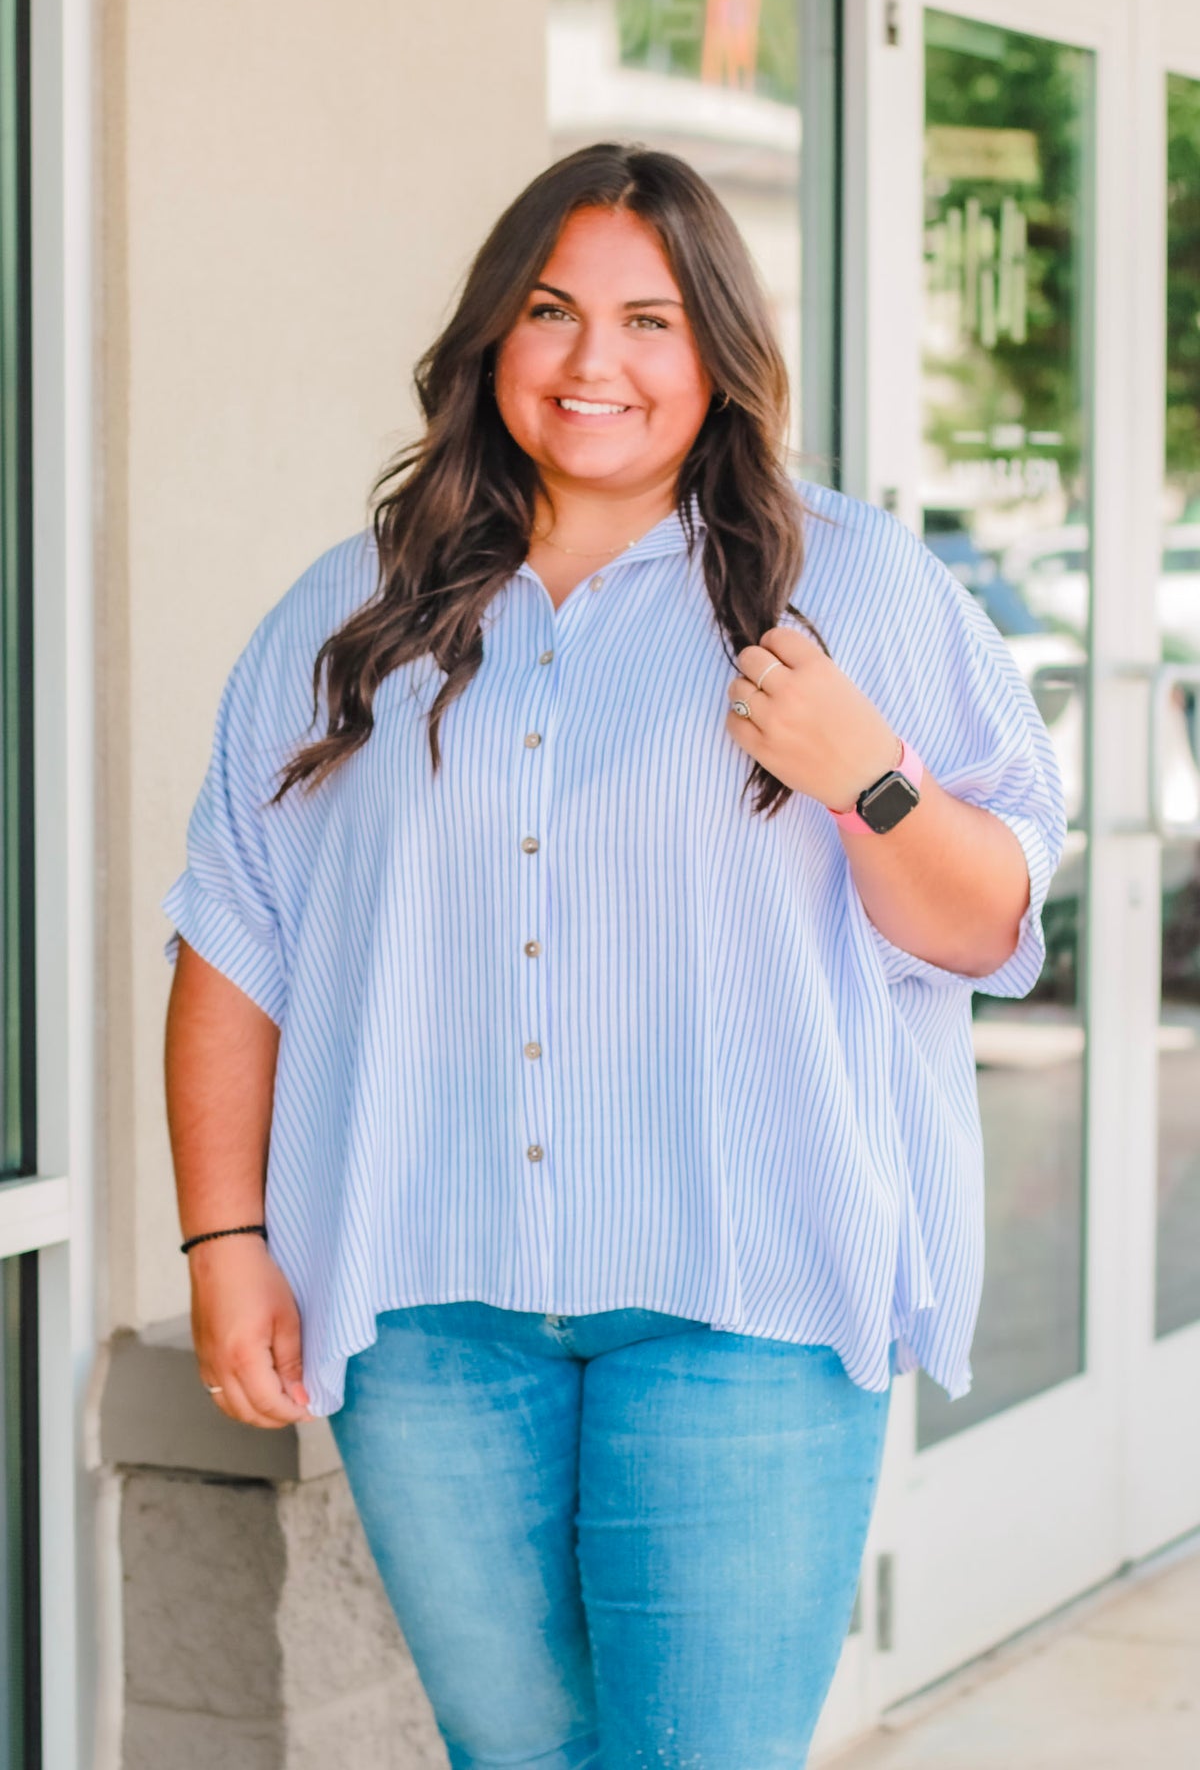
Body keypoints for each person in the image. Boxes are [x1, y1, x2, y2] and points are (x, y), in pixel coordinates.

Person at [162, 143, 1066, 1769]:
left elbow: (992, 926)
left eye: (650, 320)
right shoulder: (347, 613)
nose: (597, 363)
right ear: (490, 342)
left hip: (747, 1299)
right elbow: (236, 935)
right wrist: (225, 1237)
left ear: (718, 350)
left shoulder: (853, 585)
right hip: (431, 1312)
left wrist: (866, 770)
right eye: (552, 312)